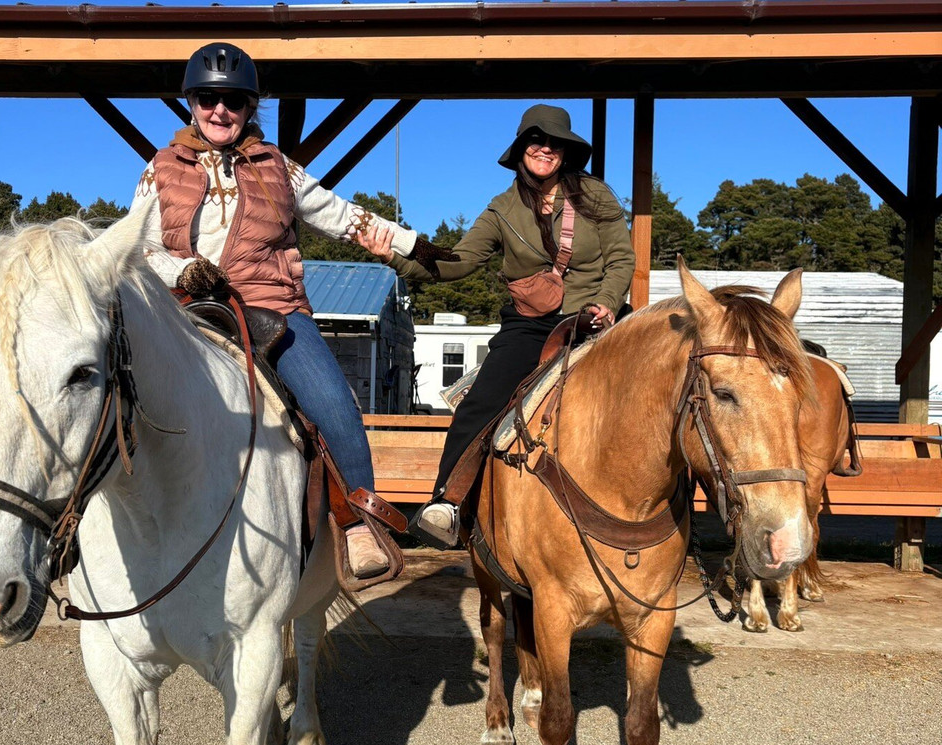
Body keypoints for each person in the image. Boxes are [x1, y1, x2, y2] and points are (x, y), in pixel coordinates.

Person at [130, 42, 422, 579]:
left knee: (334, 401)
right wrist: (181, 273)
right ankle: (75, 518)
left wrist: (411, 246)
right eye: (207, 99)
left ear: (250, 107)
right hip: (186, 306)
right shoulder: (160, 169)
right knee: (104, 387)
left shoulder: (278, 166)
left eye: (233, 101)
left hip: (273, 307)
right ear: (191, 103)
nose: (220, 112)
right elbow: (140, 247)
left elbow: (340, 215)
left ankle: (359, 522)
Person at [362, 104, 636, 548]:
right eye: (536, 140)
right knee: (479, 404)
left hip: (596, 320)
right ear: (521, 149)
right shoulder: (502, 209)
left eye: (555, 143)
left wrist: (607, 302)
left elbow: (621, 259)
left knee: (660, 391)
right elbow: (459, 262)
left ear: (565, 153)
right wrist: (393, 255)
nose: (545, 148)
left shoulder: (595, 196)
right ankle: (447, 504)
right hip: (532, 325)